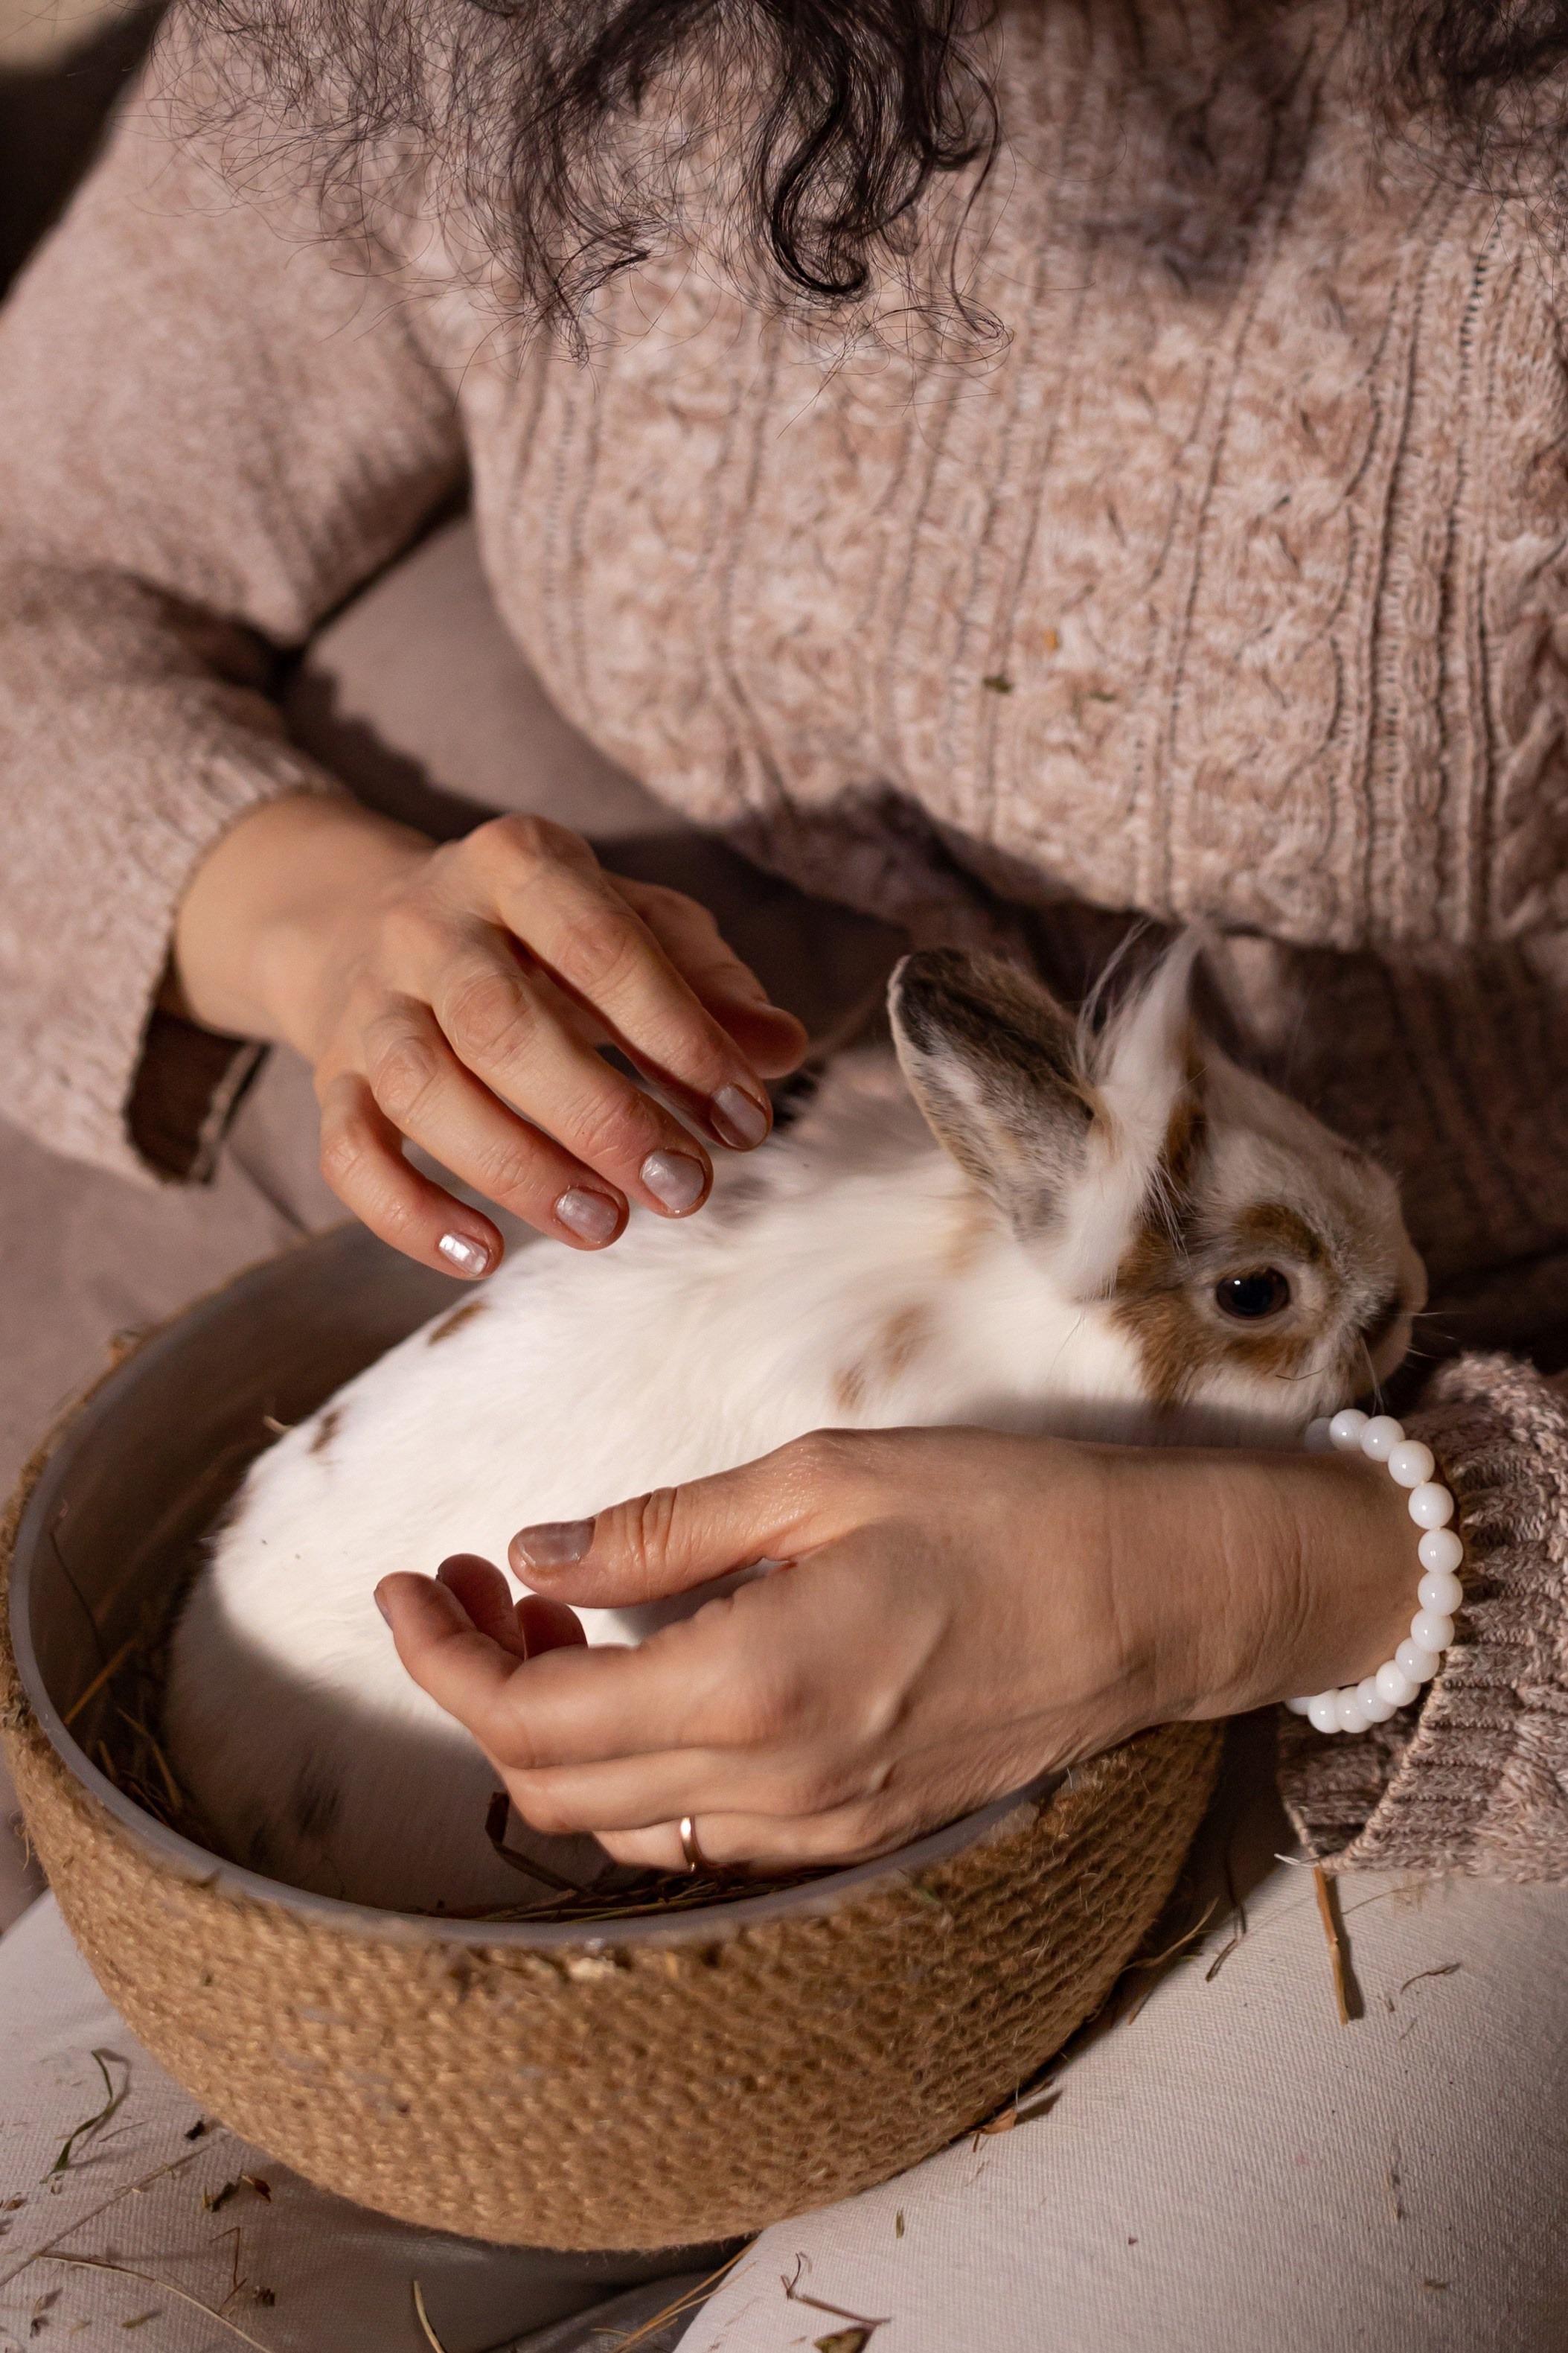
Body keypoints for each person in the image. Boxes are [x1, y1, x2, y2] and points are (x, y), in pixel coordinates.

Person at [1, 2, 1567, 2346]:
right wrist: (323, 924)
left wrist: (1287, 1567)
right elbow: (38, 553)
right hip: (852, 1237)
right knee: (86, 2287)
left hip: (1458, 1563)